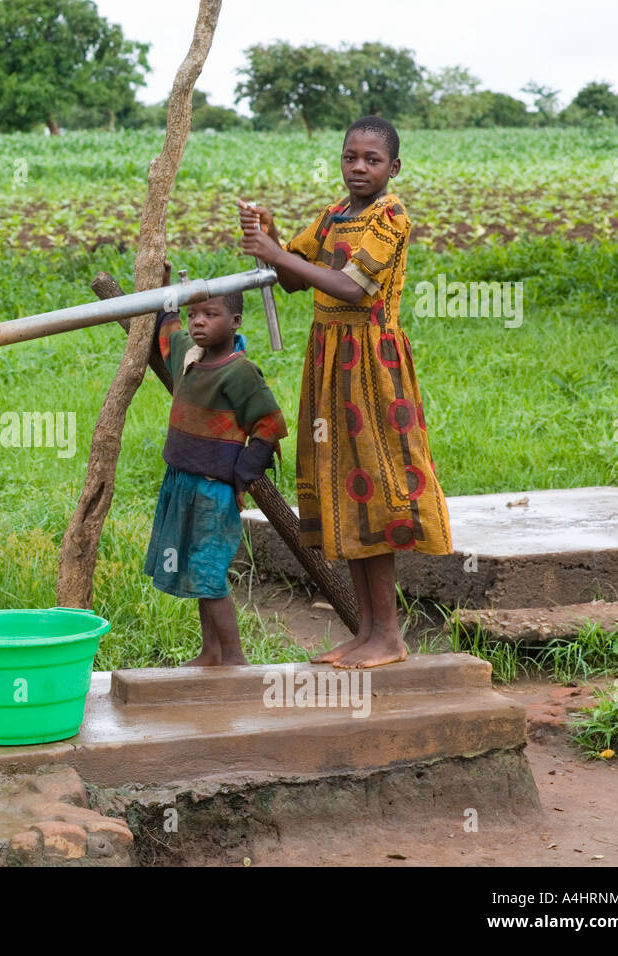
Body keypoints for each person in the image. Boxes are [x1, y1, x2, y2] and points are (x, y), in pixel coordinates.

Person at [240, 115, 452, 669]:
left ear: (393, 168)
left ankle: (389, 637)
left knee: (376, 492)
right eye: (350, 157)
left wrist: (275, 250)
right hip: (329, 361)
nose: (359, 168)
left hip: (371, 365)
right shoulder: (334, 215)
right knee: (345, 492)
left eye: (372, 160)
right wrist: (272, 236)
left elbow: (351, 287)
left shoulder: (390, 216)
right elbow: (292, 276)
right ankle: (368, 633)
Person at [143, 289, 288, 666]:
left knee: (210, 575)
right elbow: (167, 329)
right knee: (195, 572)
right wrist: (164, 286)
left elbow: (270, 423)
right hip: (181, 484)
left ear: (236, 322)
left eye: (211, 314)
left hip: (212, 490)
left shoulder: (240, 372)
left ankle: (235, 660)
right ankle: (211, 653)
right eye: (194, 315)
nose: (198, 322)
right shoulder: (189, 357)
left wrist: (241, 476)